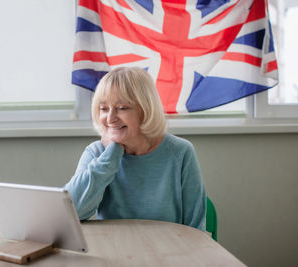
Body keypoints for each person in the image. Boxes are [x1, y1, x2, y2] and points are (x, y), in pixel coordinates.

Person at [64, 67, 206, 230]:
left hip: (167, 252)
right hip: (115, 250)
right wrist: (110, 155)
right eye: (104, 108)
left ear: (145, 110)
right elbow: (71, 213)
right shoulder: (96, 153)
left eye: (122, 108)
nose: (110, 118)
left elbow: (195, 227)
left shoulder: (181, 152)